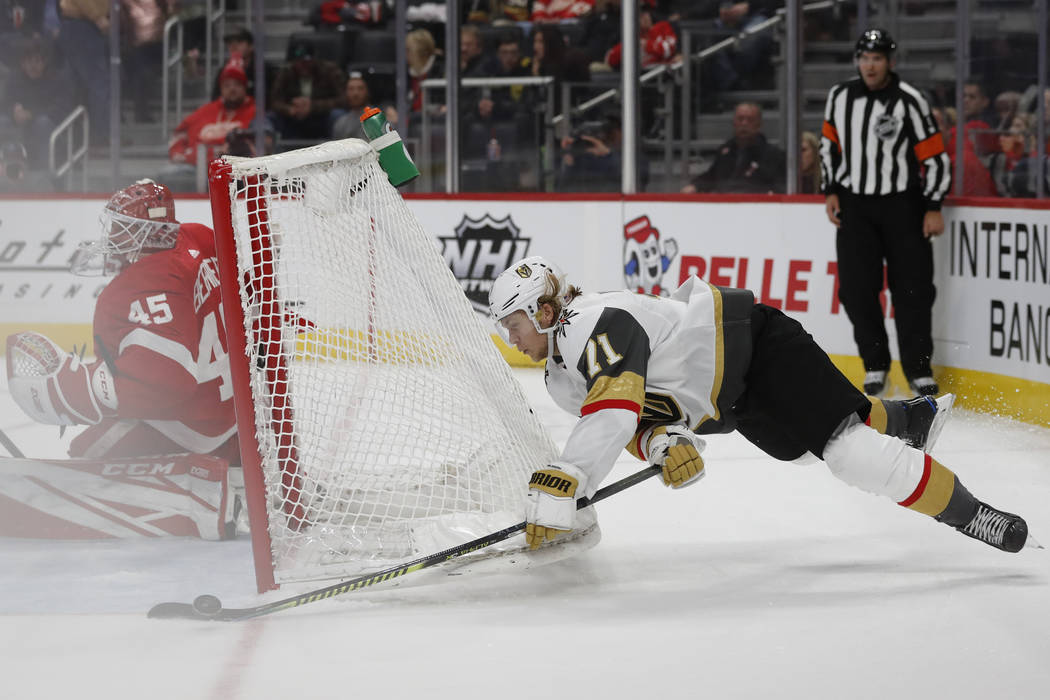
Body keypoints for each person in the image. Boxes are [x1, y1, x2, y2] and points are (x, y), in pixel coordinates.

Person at [487, 256, 1032, 555]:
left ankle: (974, 515)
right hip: (737, 400)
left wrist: (571, 474)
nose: (511, 339)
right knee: (806, 447)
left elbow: (616, 408)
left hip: (756, 344)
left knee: (848, 453)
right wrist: (664, 446)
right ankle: (912, 418)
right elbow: (641, 418)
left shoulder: (592, 321)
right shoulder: (562, 379)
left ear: (545, 309)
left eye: (514, 325)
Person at [5, 179, 240, 538]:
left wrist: (82, 389)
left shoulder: (146, 280)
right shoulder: (199, 238)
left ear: (145, 232)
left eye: (122, 228)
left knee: (86, 458)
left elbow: (167, 380)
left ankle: (196, 500)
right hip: (230, 412)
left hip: (190, 426)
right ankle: (234, 467)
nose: (114, 237)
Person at [819, 29, 951, 398]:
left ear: (889, 62)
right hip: (854, 207)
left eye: (877, 58)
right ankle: (875, 365)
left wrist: (934, 205)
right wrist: (831, 189)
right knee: (857, 291)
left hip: (902, 206)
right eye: (864, 57)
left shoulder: (910, 100)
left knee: (913, 290)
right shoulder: (840, 96)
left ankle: (918, 368)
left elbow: (935, 156)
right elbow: (830, 147)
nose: (870, 65)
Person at [167, 57, 255, 168]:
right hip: (196, 167)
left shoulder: (255, 112)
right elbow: (179, 135)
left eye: (237, 84)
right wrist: (179, 154)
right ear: (221, 89)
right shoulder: (206, 110)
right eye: (227, 85)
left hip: (236, 170)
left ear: (244, 88)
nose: (232, 89)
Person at [681, 102, 785, 193]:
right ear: (734, 123)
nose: (744, 123)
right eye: (740, 119)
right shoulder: (725, 151)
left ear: (759, 124)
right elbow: (712, 176)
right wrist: (695, 186)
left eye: (750, 120)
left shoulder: (772, 155)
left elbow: (779, 187)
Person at [268, 39, 348, 141]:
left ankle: (338, 148)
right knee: (271, 117)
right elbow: (274, 101)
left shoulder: (329, 70)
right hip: (293, 117)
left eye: (307, 62)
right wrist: (289, 109)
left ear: (314, 60)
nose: (303, 66)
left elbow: (344, 99)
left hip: (322, 116)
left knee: (338, 115)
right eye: (300, 62)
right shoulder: (286, 72)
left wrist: (312, 106)